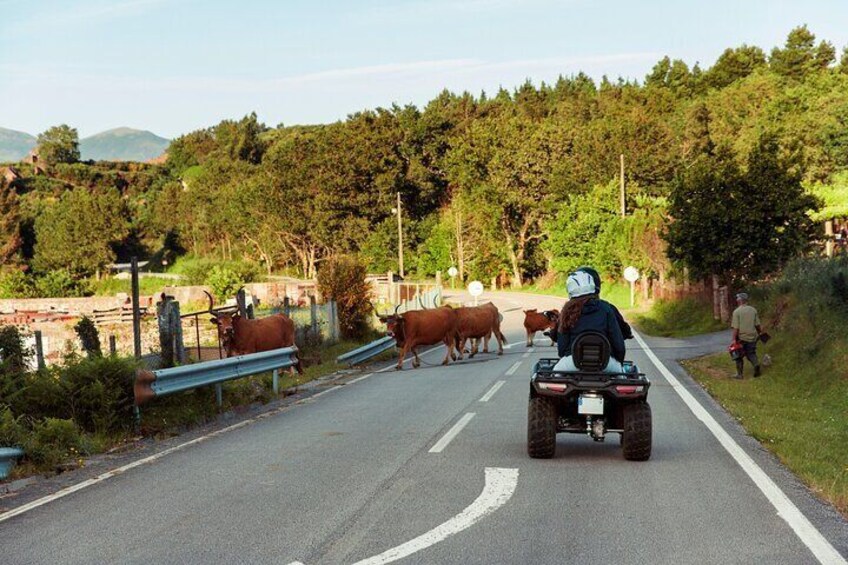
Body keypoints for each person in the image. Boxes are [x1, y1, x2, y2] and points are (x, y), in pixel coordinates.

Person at [552, 270, 626, 373]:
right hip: (605, 362)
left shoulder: (566, 311)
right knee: (622, 377)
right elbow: (618, 344)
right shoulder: (606, 308)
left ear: (570, 289)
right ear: (593, 286)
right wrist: (618, 363)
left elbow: (562, 349)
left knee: (554, 376)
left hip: (573, 361)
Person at [731, 292, 763, 379]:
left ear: (740, 300)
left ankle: (739, 374)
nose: (736, 300)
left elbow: (736, 327)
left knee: (738, 356)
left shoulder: (736, 312)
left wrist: (734, 339)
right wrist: (760, 333)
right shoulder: (753, 310)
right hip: (752, 337)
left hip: (741, 337)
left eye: (737, 298)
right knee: (751, 353)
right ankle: (756, 365)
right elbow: (757, 324)